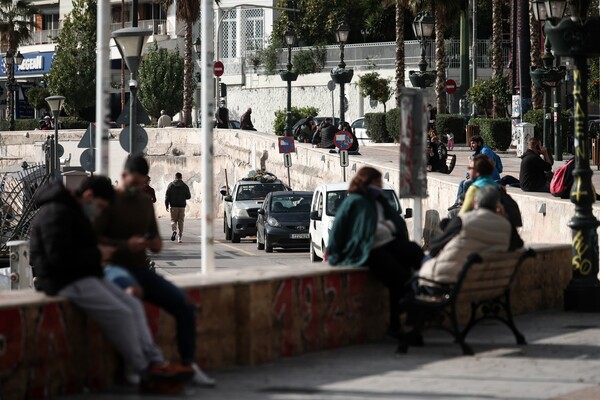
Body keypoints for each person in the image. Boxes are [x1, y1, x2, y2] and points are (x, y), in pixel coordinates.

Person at [29, 177, 193, 391]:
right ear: (88, 196)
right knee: (121, 313)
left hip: (82, 275)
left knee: (132, 304)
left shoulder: (71, 211)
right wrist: (97, 254)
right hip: (62, 280)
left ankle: (156, 361)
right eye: (99, 206)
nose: (97, 211)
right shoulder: (56, 213)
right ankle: (145, 369)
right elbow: (59, 259)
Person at [94, 156, 215, 387]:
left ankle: (188, 364)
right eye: (133, 184)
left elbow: (157, 241)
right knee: (131, 298)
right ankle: (132, 365)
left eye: (141, 184)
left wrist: (153, 243)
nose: (137, 189)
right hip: (112, 269)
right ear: (123, 176)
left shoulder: (144, 203)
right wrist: (125, 245)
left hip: (141, 268)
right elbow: (94, 239)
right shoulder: (108, 202)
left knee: (184, 305)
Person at [327, 167, 424, 337]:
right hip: (370, 248)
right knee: (399, 276)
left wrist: (389, 227)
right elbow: (339, 228)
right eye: (377, 182)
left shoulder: (379, 200)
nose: (380, 186)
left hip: (388, 242)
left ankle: (424, 290)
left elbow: (394, 221)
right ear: (367, 182)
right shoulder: (355, 201)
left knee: (415, 253)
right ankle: (401, 318)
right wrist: (334, 253)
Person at [418, 186, 523, 289]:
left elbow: (434, 246)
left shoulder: (462, 220)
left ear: (474, 203)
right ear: (498, 205)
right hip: (487, 286)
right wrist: (503, 216)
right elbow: (519, 244)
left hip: (446, 283)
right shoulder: (507, 226)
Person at [165, 172, 191, 243]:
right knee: (181, 221)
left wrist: (166, 205)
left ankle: (174, 230)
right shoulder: (185, 186)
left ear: (175, 177)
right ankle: (179, 237)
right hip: (182, 207)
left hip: (173, 206)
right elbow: (189, 196)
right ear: (181, 177)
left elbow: (167, 196)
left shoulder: (170, 185)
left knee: (173, 220)